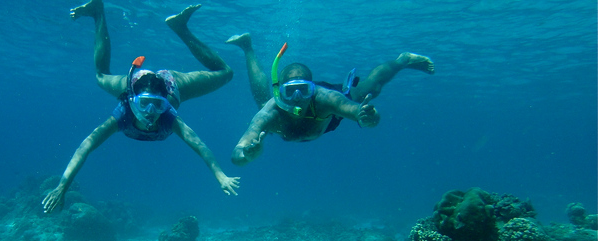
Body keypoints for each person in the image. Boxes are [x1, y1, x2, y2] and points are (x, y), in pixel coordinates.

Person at [43, 2, 239, 213]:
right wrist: (62, 186)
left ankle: (180, 28)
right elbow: (86, 145)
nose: (151, 112)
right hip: (135, 82)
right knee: (100, 77)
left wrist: (220, 175)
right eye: (144, 104)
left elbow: (199, 145)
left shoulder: (167, 115)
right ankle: (98, 11)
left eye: (158, 105)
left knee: (226, 73)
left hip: (168, 83)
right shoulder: (123, 113)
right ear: (131, 101)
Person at [226, 33, 434, 166]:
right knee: (261, 100)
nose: (298, 98)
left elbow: (358, 112)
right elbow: (238, 154)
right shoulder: (270, 113)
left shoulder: (326, 98)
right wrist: (247, 154)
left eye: (304, 90)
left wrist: (369, 117)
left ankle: (403, 60)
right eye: (291, 91)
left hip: (327, 115)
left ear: (313, 89)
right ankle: (247, 46)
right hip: (289, 111)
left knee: (365, 90)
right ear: (280, 91)